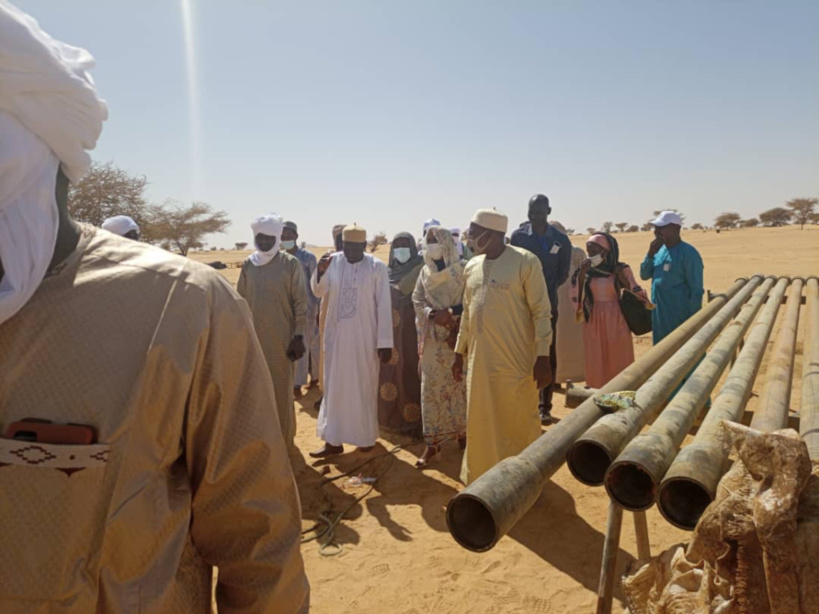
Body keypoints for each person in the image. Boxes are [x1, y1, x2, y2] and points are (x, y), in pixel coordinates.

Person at [0, 5, 309, 611]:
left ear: (45, 166)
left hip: (277, 348)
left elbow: (259, 543)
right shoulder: (244, 269)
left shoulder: (181, 307)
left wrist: (301, 336)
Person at [453, 209, 553, 485]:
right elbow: (468, 313)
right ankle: (481, 478)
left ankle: (522, 482)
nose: (470, 235)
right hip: (479, 362)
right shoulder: (472, 266)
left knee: (517, 419)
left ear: (492, 234)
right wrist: (458, 352)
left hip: (515, 361)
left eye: (474, 231)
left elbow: (542, 312)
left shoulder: (525, 262)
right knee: (480, 421)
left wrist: (543, 356)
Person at [310, 224, 393, 457]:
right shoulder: (332, 262)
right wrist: (320, 270)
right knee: (335, 389)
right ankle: (332, 442)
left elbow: (384, 305)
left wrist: (384, 342)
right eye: (347, 247)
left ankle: (364, 438)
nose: (351, 252)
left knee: (362, 387)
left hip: (364, 340)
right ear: (342, 245)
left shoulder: (376, 267)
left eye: (356, 248)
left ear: (364, 246)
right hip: (336, 340)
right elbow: (318, 291)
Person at [237, 214, 307, 446]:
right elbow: (240, 301)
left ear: (277, 238)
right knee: (255, 391)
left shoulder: (290, 264)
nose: (264, 242)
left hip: (282, 339)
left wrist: (298, 336)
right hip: (253, 339)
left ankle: (283, 442)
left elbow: (300, 302)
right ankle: (261, 441)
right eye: (260, 238)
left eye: (269, 238)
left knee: (280, 391)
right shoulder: (248, 264)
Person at [510, 194, 571, 424]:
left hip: (548, 307)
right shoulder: (518, 237)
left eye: (539, 211)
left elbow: (563, 274)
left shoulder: (561, 240)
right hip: (520, 307)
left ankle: (544, 406)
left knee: (546, 353)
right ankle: (522, 402)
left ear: (549, 211)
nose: (534, 215)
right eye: (531, 210)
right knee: (520, 353)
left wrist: (545, 292)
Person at [412, 226, 467, 468]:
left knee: (459, 386)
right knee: (431, 389)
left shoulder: (464, 269)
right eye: (429, 240)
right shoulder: (424, 272)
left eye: (436, 240)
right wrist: (433, 314)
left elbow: (473, 299)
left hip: (459, 338)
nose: (432, 244)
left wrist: (451, 314)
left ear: (446, 242)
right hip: (434, 340)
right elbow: (417, 299)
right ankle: (432, 444)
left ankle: (463, 435)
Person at [571, 233, 651, 388]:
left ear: (606, 251)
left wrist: (622, 279)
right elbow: (575, 295)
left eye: (595, 251)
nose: (591, 255)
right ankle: (597, 396)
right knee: (596, 358)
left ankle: (621, 394)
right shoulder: (585, 271)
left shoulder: (621, 268)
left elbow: (637, 293)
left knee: (618, 356)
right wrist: (581, 275)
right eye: (589, 251)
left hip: (616, 318)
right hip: (593, 319)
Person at [377, 232, 424, 437]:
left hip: (409, 332)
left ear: (413, 248)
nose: (401, 249)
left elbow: (401, 291)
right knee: (388, 373)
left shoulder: (420, 268)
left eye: (405, 245)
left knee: (409, 371)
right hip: (388, 334)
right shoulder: (386, 272)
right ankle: (389, 419)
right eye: (397, 245)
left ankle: (412, 422)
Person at [640, 211, 704, 344]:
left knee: (684, 352)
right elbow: (644, 275)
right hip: (659, 314)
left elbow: (696, 290)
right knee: (661, 352)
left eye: (662, 227)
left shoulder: (689, 253)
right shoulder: (659, 251)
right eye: (656, 228)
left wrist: (693, 320)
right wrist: (650, 254)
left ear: (676, 229)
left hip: (680, 315)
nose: (657, 231)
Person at [283, 221, 320, 398]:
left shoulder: (308, 257)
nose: (286, 238)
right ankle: (299, 381)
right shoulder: (279, 258)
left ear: (296, 236)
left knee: (310, 344)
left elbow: (316, 285)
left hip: (308, 308)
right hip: (288, 309)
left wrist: (318, 308)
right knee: (299, 343)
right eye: (283, 236)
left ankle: (309, 379)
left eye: (289, 235)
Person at [549, 221, 586, 384]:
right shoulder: (547, 252)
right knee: (554, 343)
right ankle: (555, 378)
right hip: (553, 303)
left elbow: (584, 276)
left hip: (572, 304)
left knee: (573, 342)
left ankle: (575, 376)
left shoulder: (576, 252)